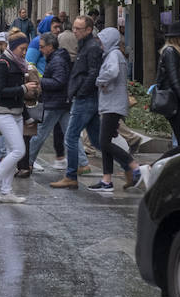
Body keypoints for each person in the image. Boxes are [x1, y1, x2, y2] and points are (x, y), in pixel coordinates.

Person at [0, 34, 37, 204]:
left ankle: (6, 191)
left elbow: (18, 96)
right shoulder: (3, 64)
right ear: (13, 47)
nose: (24, 52)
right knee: (18, 150)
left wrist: (26, 116)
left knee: (11, 152)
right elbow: (0, 91)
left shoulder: (19, 65)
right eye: (22, 48)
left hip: (16, 113)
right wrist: (23, 88)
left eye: (25, 49)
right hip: (3, 112)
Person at [51, 16, 103, 190]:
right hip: (85, 97)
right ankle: (130, 167)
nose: (74, 31)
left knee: (71, 137)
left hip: (85, 99)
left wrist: (80, 92)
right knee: (97, 140)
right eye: (73, 28)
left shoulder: (92, 47)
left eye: (78, 28)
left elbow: (92, 73)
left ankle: (71, 175)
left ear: (88, 30)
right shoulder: (84, 45)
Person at [91, 27, 143, 192]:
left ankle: (134, 165)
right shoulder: (113, 54)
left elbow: (112, 72)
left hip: (113, 105)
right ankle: (107, 180)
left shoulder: (114, 55)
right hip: (111, 104)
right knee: (105, 142)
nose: (99, 44)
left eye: (101, 40)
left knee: (104, 142)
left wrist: (99, 80)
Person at [27, 32, 71, 170]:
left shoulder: (57, 61)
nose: (40, 50)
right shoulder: (56, 58)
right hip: (61, 102)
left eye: (42, 47)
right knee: (70, 135)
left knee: (39, 133)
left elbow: (59, 81)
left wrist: (40, 82)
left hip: (55, 103)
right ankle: (82, 163)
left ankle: (27, 162)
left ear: (50, 46)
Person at [154, 21, 180, 161]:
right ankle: (154, 168)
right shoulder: (171, 52)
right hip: (175, 103)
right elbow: (174, 80)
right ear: (179, 37)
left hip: (175, 101)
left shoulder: (171, 52)